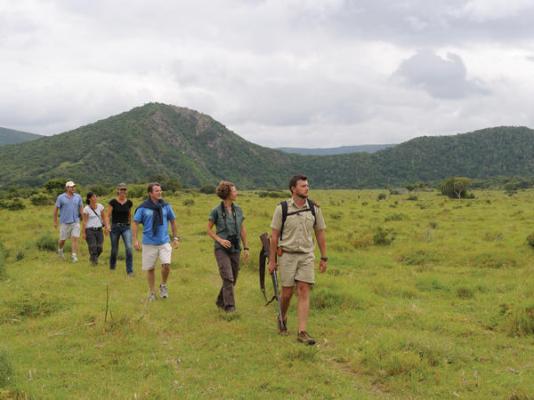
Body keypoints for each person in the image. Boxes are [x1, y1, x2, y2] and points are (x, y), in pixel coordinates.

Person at [268, 175, 327, 345]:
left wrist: (324, 257)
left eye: (308, 185)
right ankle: (282, 316)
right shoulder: (282, 208)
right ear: (293, 189)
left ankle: (302, 331)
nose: (307, 188)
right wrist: (272, 261)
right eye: (303, 186)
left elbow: (320, 233)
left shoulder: (314, 209)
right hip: (287, 255)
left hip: (306, 255)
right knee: (286, 293)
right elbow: (274, 236)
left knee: (303, 290)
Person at [132, 183, 179, 301]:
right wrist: (135, 239)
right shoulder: (143, 208)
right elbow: (135, 223)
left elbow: (173, 221)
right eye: (157, 191)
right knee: (150, 268)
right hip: (148, 242)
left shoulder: (166, 206)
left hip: (164, 241)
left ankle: (163, 285)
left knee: (166, 265)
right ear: (150, 193)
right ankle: (152, 292)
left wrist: (175, 238)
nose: (160, 192)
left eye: (160, 190)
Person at [207, 181, 249, 313]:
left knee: (233, 278)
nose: (237, 193)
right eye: (235, 191)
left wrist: (246, 247)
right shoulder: (216, 211)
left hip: (236, 247)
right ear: (228, 193)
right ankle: (230, 307)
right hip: (221, 249)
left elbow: (242, 229)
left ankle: (220, 300)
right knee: (228, 277)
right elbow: (208, 230)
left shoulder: (239, 209)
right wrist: (220, 240)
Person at [107, 183, 134, 276]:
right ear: (118, 190)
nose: (123, 191)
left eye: (124, 190)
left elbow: (129, 214)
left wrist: (130, 224)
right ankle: (112, 267)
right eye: (121, 189)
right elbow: (108, 215)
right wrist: (107, 226)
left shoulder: (129, 202)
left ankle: (130, 271)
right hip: (115, 227)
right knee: (114, 249)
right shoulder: (113, 202)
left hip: (126, 227)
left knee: (129, 248)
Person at [54, 180, 84, 263]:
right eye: (71, 187)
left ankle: (74, 256)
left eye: (74, 186)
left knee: (75, 238)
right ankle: (60, 250)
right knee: (62, 240)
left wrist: (84, 219)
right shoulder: (61, 197)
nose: (73, 188)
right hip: (64, 222)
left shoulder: (78, 197)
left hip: (76, 221)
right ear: (67, 188)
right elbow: (56, 209)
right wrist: (55, 221)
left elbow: (81, 208)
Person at [82, 192, 109, 265]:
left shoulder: (100, 206)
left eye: (96, 196)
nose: (95, 198)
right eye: (93, 197)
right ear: (89, 199)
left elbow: (104, 217)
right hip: (90, 230)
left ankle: (92, 258)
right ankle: (94, 263)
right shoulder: (86, 209)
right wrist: (83, 233)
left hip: (99, 230)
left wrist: (107, 227)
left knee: (100, 248)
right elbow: (84, 222)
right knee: (93, 247)